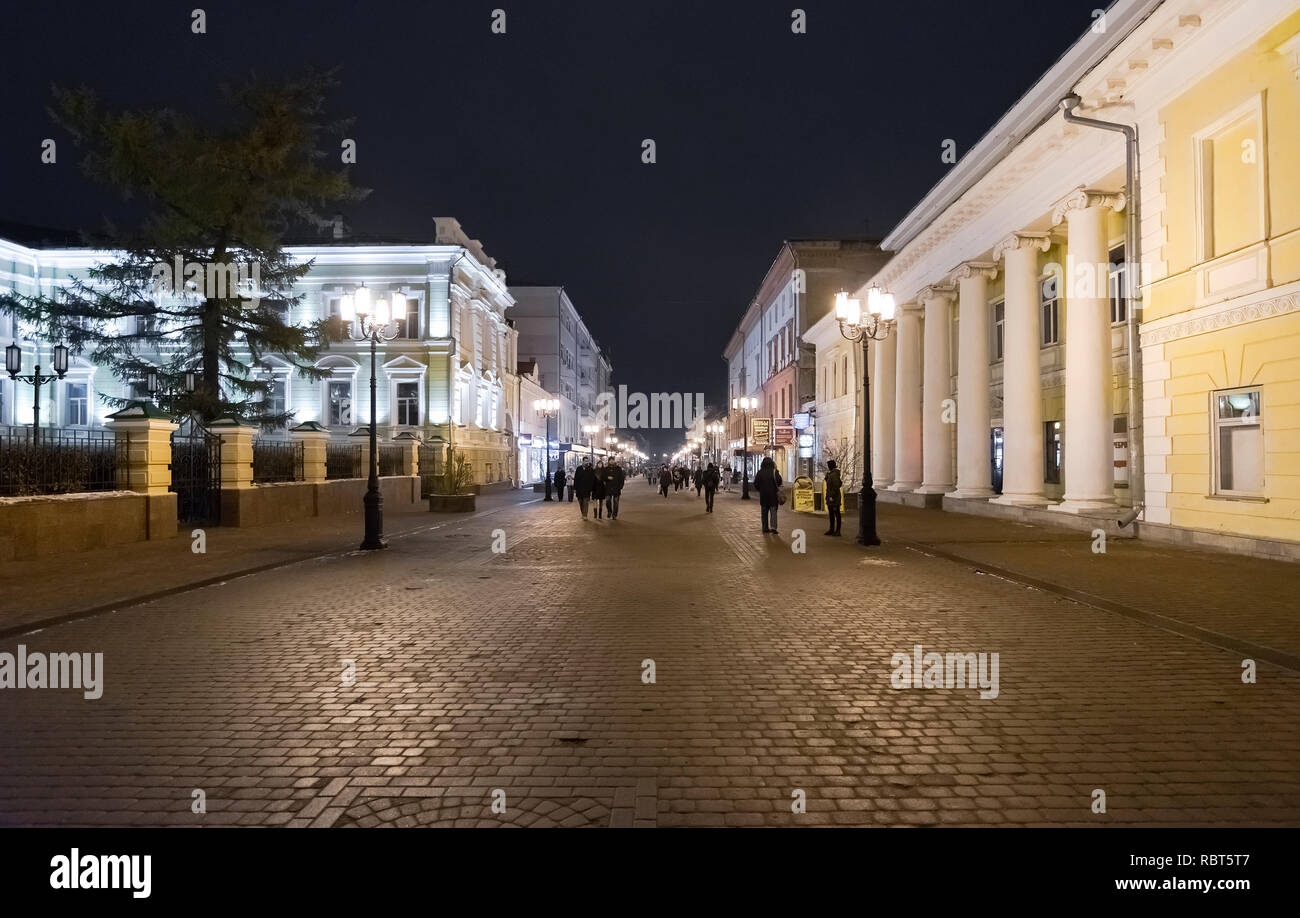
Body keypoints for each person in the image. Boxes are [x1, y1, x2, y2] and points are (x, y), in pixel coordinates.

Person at [754, 456, 783, 533]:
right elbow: (779, 481)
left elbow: (756, 483)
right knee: (773, 512)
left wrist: (760, 490)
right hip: (773, 496)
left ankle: (765, 528)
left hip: (763, 496)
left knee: (764, 512)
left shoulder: (760, 472)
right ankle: (773, 528)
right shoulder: (774, 472)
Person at [823, 459, 843, 537]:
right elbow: (827, 481)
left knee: (836, 514)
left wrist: (832, 496)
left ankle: (837, 531)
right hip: (831, 497)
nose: (828, 467)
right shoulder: (831, 474)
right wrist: (827, 475)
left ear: (831, 466)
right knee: (831, 514)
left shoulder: (834, 475)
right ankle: (831, 529)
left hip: (834, 498)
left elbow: (837, 485)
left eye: (829, 465)